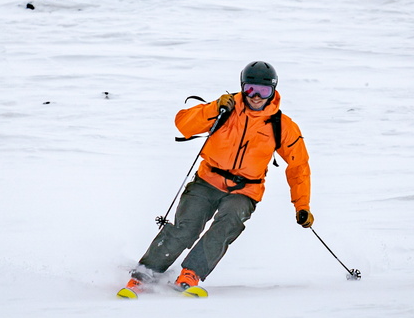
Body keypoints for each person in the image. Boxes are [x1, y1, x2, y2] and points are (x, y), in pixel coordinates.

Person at [119, 61, 312, 298]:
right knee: (186, 227)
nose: (256, 96)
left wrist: (302, 206)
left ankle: (190, 274)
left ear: (273, 91)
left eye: (263, 91)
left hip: (245, 191)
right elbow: (183, 125)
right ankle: (144, 274)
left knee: (227, 223)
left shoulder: (282, 126)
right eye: (251, 89)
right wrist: (213, 109)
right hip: (207, 181)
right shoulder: (225, 107)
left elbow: (298, 166)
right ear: (243, 87)